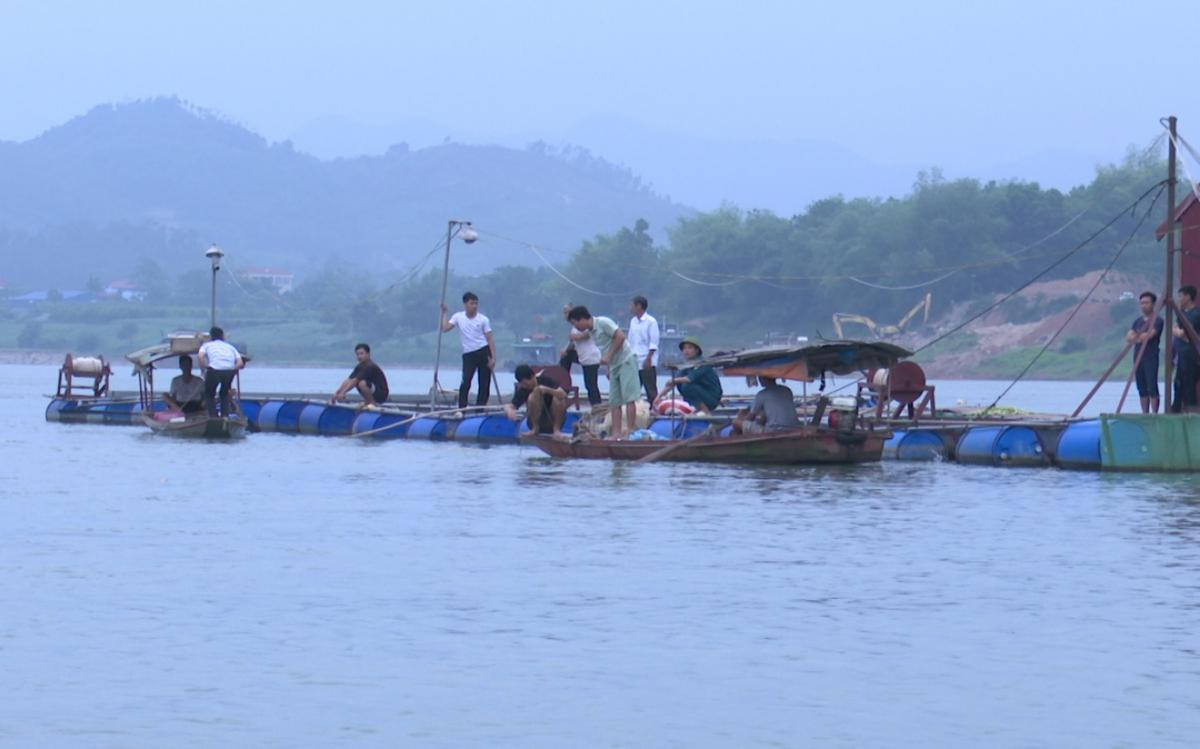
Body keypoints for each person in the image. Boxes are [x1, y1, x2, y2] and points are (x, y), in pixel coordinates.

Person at [567, 305, 640, 439]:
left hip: (625, 361)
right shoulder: (591, 332)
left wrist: (608, 357)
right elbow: (604, 348)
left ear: (582, 319)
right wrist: (609, 367)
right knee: (614, 401)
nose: (576, 327)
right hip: (614, 366)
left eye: (575, 323)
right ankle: (616, 433)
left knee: (629, 398)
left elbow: (620, 337)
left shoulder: (603, 322)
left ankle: (630, 430)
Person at [442, 292, 497, 408]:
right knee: (466, 381)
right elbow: (445, 328)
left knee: (484, 383)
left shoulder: (483, 319)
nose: (474, 306)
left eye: (476, 303)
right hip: (469, 354)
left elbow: (490, 339)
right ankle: (462, 408)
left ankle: (480, 408)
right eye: (472, 303)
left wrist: (493, 358)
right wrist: (445, 312)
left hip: (483, 351)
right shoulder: (458, 317)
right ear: (465, 304)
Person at [658, 336, 722, 413]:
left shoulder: (703, 363)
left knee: (687, 386)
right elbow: (672, 384)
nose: (686, 351)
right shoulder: (687, 365)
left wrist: (673, 380)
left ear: (697, 350)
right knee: (680, 384)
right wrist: (658, 398)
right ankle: (697, 409)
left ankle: (705, 412)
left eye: (690, 348)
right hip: (701, 395)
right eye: (684, 348)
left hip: (712, 398)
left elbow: (688, 379)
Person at [1125, 291, 1163, 414]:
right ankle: (1144, 413)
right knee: (1141, 388)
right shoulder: (1137, 321)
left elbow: (1149, 336)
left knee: (1152, 386)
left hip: (1150, 357)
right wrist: (1138, 336)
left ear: (1153, 304)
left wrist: (1137, 335)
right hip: (1137, 357)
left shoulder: (1157, 320)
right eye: (1141, 303)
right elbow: (1129, 338)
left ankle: (1154, 414)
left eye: (1146, 303)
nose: (1143, 305)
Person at [505, 364, 568, 436]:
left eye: (526, 383)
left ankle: (556, 430)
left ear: (532, 376)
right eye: (523, 384)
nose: (525, 386)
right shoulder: (524, 390)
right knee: (532, 396)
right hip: (535, 421)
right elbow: (510, 405)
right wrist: (509, 410)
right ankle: (535, 429)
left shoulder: (547, 381)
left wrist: (547, 390)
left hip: (552, 419)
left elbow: (563, 395)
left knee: (558, 398)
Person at [558, 303, 602, 406]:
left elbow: (587, 334)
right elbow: (572, 344)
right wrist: (564, 350)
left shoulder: (584, 323)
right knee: (566, 356)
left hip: (591, 358)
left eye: (568, 312)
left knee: (591, 385)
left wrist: (575, 337)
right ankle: (563, 382)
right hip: (582, 357)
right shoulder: (574, 327)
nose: (566, 315)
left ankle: (597, 406)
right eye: (565, 313)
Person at [197, 326, 244, 418]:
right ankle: (224, 417)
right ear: (222, 336)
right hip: (229, 370)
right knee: (224, 393)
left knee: (209, 394)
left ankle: (213, 417)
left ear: (211, 337)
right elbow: (240, 363)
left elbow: (200, 356)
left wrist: (204, 370)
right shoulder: (230, 347)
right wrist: (232, 369)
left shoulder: (207, 345)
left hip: (214, 370)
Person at [732, 376, 801, 433]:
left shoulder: (762, 394)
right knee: (762, 417)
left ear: (763, 379)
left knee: (736, 423)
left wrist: (740, 417)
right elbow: (767, 413)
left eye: (760, 377)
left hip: (774, 431)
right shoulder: (787, 390)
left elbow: (750, 418)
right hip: (794, 427)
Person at [331, 342, 389, 408]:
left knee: (362, 383)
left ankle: (372, 403)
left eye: (361, 354)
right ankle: (368, 402)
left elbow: (355, 381)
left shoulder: (370, 366)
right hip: (372, 390)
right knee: (357, 382)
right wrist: (337, 393)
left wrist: (343, 393)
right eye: (357, 354)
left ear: (368, 354)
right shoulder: (360, 366)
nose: (359, 356)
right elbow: (349, 380)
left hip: (381, 394)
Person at [1172, 285, 1200, 412]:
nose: (1179, 299)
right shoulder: (1182, 313)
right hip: (1181, 355)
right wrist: (1178, 332)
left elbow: (1185, 334)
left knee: (1189, 386)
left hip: (1192, 356)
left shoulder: (1196, 314)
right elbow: (1176, 330)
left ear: (1188, 296)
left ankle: (1191, 414)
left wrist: (1177, 332)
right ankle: (1176, 411)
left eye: (1181, 296)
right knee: (1178, 385)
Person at [628, 295, 660, 402]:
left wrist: (648, 359)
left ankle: (654, 410)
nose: (630, 308)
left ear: (639, 306)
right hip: (634, 360)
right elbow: (631, 341)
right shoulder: (633, 321)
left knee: (650, 389)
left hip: (647, 359)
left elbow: (654, 342)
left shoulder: (651, 321)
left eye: (632, 305)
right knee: (633, 389)